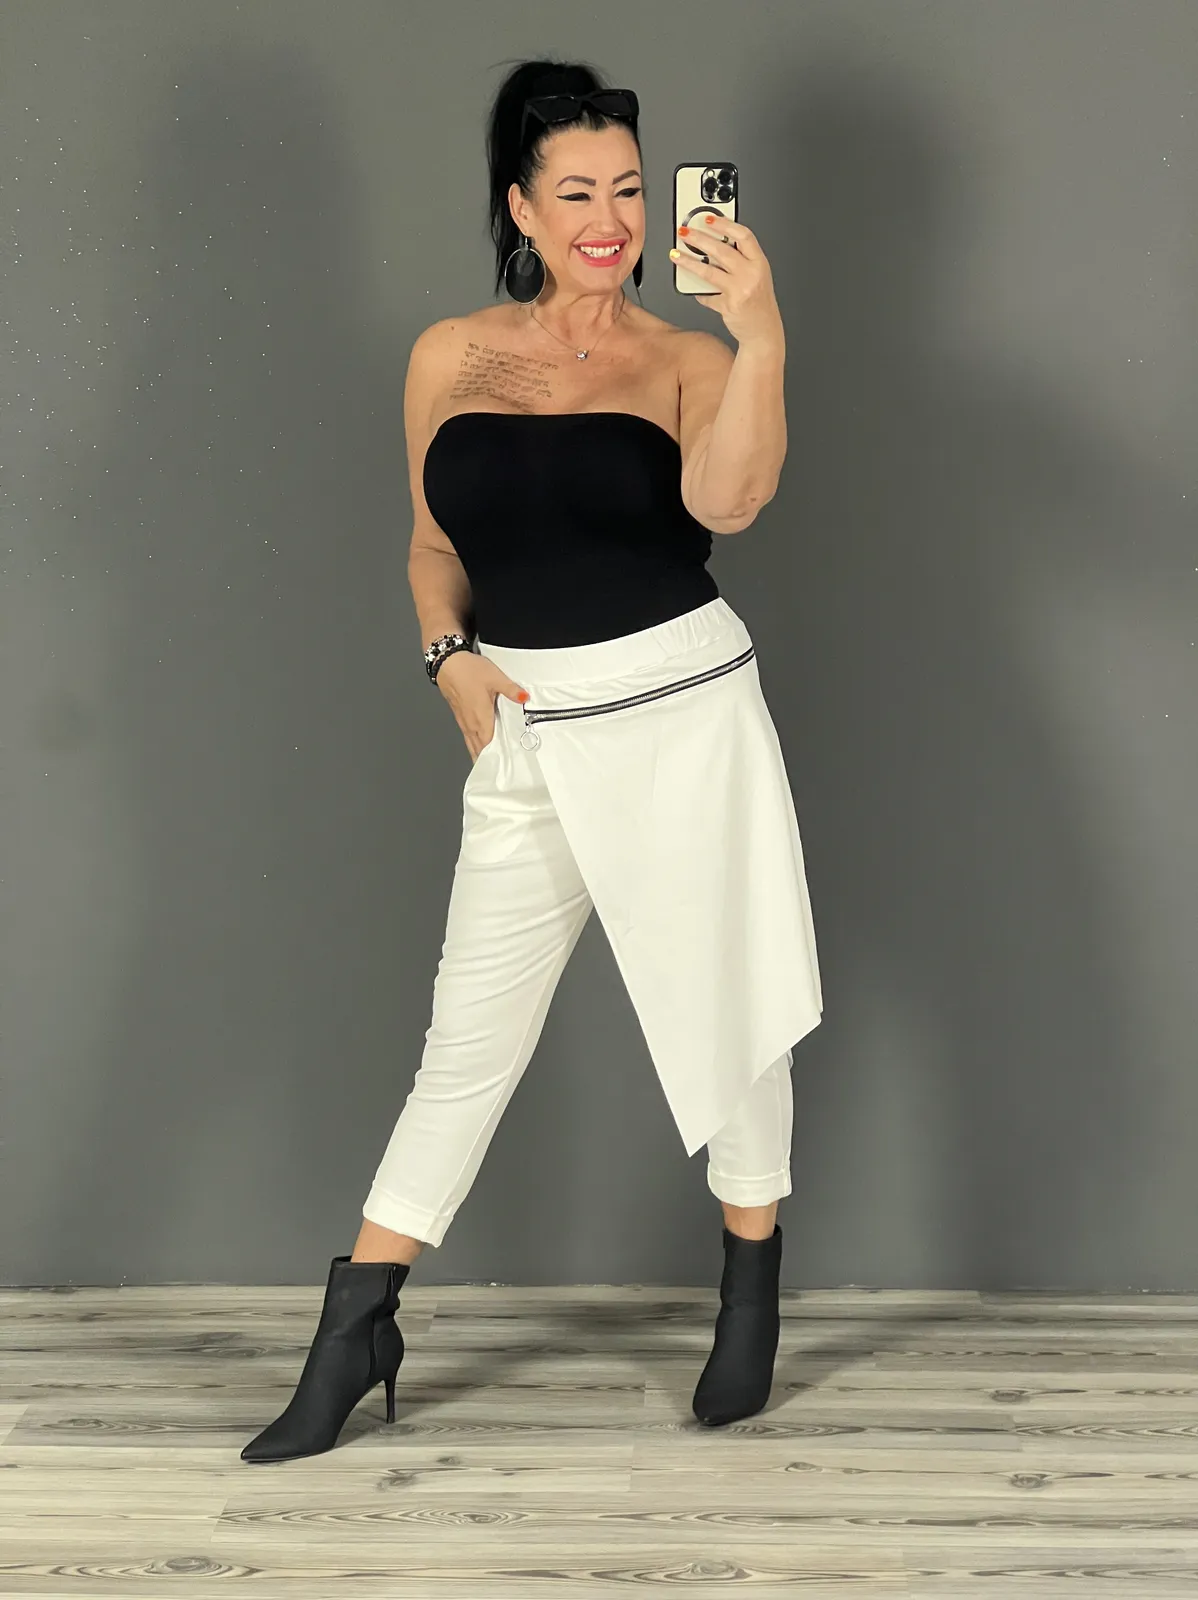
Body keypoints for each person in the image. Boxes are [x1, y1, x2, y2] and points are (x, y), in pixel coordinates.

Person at [240, 56, 822, 1465]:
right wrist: (448, 657)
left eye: (629, 189)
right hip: (527, 731)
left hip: (683, 713)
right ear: (519, 204)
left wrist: (759, 336)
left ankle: (751, 1281)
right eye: (576, 193)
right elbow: (432, 544)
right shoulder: (447, 354)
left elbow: (732, 501)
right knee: (467, 1043)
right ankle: (357, 1324)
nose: (610, 220)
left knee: (729, 1007)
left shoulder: (688, 361)